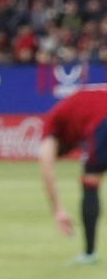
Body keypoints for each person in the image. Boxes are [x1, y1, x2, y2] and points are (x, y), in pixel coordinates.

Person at [35, 85, 107, 264]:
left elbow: (46, 164)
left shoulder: (52, 123)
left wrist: (58, 209)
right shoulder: (76, 106)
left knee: (90, 181)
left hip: (103, 121)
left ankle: (89, 254)